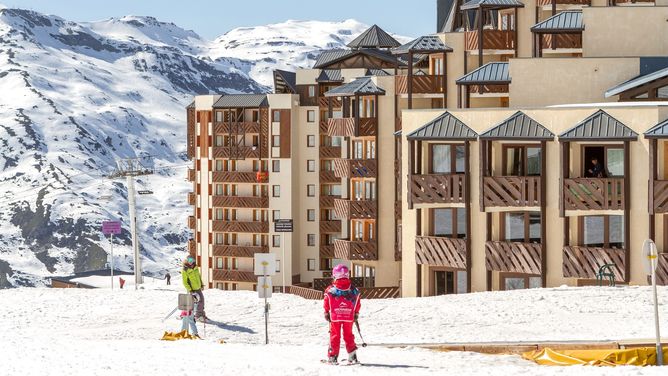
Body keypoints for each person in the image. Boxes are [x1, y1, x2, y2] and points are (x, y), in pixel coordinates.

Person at [323, 264, 361, 364]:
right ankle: (352, 356)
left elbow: (326, 301)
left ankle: (333, 357)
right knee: (348, 335)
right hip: (349, 316)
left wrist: (326, 312)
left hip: (335, 316)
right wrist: (356, 313)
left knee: (335, 335)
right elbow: (357, 302)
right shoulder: (354, 290)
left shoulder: (330, 289)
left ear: (335, 275)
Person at [182, 256, 206, 321]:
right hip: (193, 289)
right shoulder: (185, 270)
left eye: (192, 260)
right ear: (187, 261)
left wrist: (201, 284)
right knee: (200, 301)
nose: (191, 262)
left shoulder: (195, 267)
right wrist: (190, 290)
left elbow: (198, 276)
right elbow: (185, 282)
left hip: (198, 288)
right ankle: (198, 316)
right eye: (189, 260)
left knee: (196, 302)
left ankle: (199, 314)